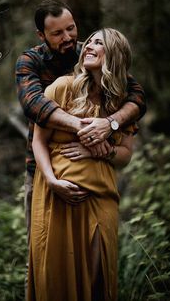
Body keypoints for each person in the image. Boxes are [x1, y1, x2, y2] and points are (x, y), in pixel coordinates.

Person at [15, 0, 146, 246]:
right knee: (42, 252)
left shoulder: (89, 54)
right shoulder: (30, 62)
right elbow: (34, 104)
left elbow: (136, 97)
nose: (68, 37)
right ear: (41, 35)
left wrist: (110, 124)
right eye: (57, 33)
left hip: (96, 180)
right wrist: (84, 128)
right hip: (43, 172)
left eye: (71, 28)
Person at [28, 28, 138, 301]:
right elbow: (38, 142)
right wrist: (53, 182)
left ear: (114, 55)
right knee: (57, 278)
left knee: (97, 277)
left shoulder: (121, 101)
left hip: (101, 198)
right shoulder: (62, 87)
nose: (88, 46)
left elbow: (125, 154)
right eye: (89, 41)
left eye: (98, 43)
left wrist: (100, 151)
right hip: (59, 196)